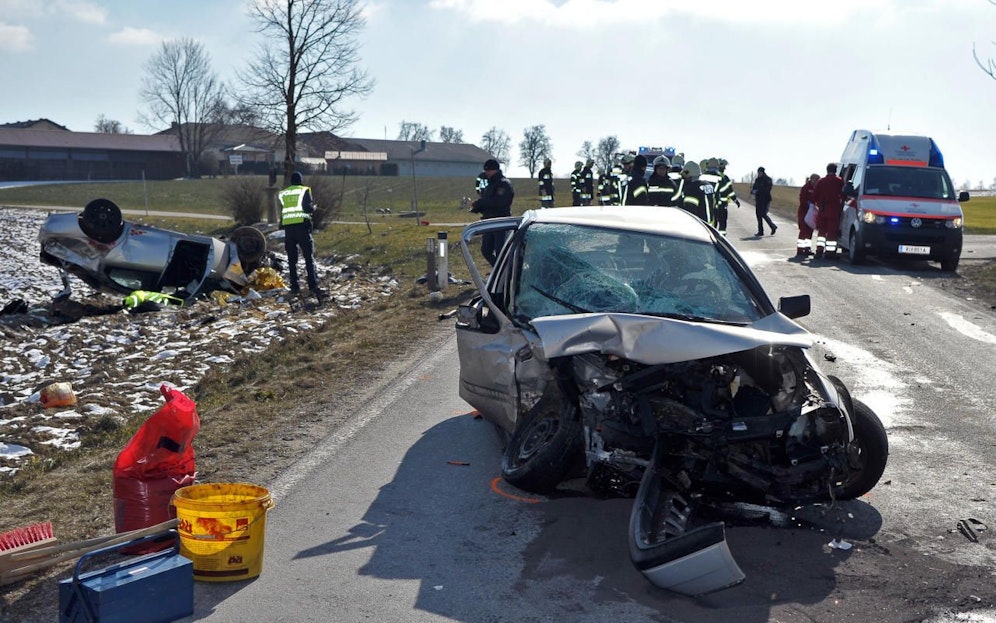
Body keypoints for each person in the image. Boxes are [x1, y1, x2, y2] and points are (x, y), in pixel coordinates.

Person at [278, 170, 321, 295]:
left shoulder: (284, 193)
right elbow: (307, 208)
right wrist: (314, 208)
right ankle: (313, 285)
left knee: (292, 260)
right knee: (308, 257)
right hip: (302, 228)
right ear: (301, 180)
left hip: (288, 230)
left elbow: (283, 211)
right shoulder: (304, 190)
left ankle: (294, 286)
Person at [470, 159, 515, 266]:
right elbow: (487, 202)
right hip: (489, 222)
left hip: (501, 222)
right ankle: (498, 271)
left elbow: (499, 202)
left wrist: (480, 203)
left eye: (488, 170)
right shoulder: (489, 185)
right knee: (486, 250)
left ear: (495, 170)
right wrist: (477, 207)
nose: (486, 173)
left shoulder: (504, 184)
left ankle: (505, 273)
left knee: (501, 251)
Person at [813, 162, 845, 259]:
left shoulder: (821, 181)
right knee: (832, 233)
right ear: (835, 170)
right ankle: (830, 253)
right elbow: (843, 195)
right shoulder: (839, 181)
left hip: (822, 209)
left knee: (821, 232)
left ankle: (819, 251)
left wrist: (819, 204)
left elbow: (815, 195)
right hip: (834, 210)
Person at [795, 173, 820, 258]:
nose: (817, 182)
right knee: (803, 232)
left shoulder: (816, 188)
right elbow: (802, 199)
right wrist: (808, 204)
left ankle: (807, 249)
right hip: (803, 212)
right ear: (812, 179)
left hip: (811, 214)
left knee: (809, 232)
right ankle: (800, 250)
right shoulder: (806, 188)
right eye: (816, 180)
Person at [750, 166, 776, 237]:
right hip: (758, 200)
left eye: (760, 172)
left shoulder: (768, 180)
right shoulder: (757, 180)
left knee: (763, 214)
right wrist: (753, 191)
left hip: (765, 199)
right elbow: (754, 187)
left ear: (763, 172)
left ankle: (773, 226)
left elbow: (768, 189)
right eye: (758, 172)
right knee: (758, 215)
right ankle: (760, 231)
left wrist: (759, 190)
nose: (759, 174)